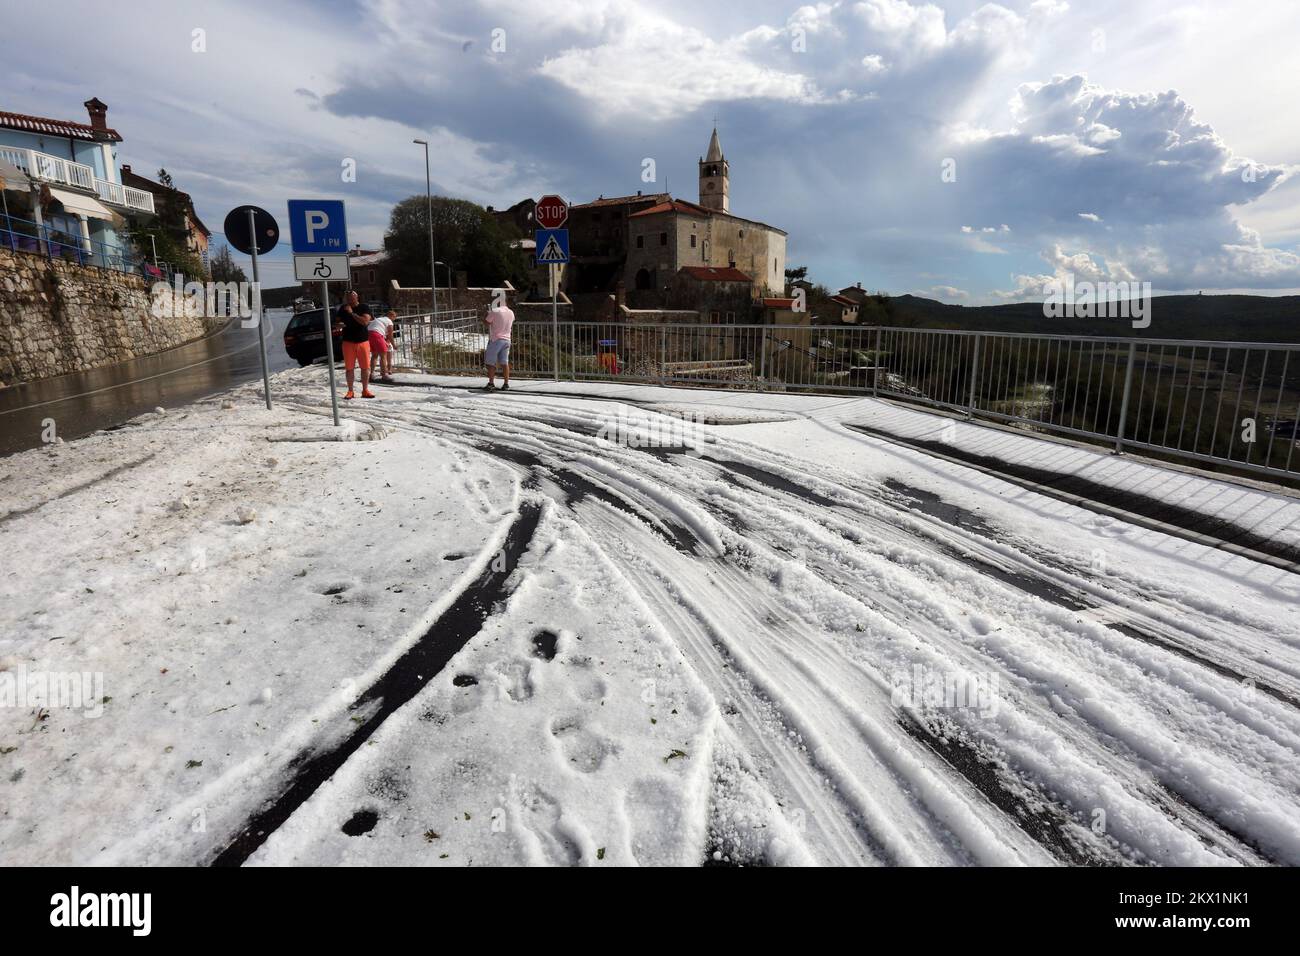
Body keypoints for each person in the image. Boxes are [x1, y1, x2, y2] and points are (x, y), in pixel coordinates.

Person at [337, 291, 375, 399]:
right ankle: (350, 391)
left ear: (357, 297)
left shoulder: (364, 307)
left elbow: (365, 322)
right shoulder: (342, 308)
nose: (350, 299)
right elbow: (337, 322)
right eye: (348, 298)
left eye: (352, 297)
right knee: (349, 368)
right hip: (348, 342)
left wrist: (352, 313)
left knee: (365, 367)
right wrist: (338, 325)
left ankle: (365, 390)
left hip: (362, 342)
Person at [483, 301, 515, 391]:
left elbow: (486, 322)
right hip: (507, 340)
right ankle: (506, 384)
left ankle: (491, 383)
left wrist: (487, 314)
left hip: (496, 339)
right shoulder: (511, 312)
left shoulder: (495, 311)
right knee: (504, 362)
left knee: (490, 362)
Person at [368, 309, 395, 383]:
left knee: (374, 355)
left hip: (369, 334)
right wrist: (394, 345)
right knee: (383, 355)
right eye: (394, 317)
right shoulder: (389, 321)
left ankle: (371, 374)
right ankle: (384, 375)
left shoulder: (379, 319)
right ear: (390, 316)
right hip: (377, 334)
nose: (394, 319)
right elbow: (390, 335)